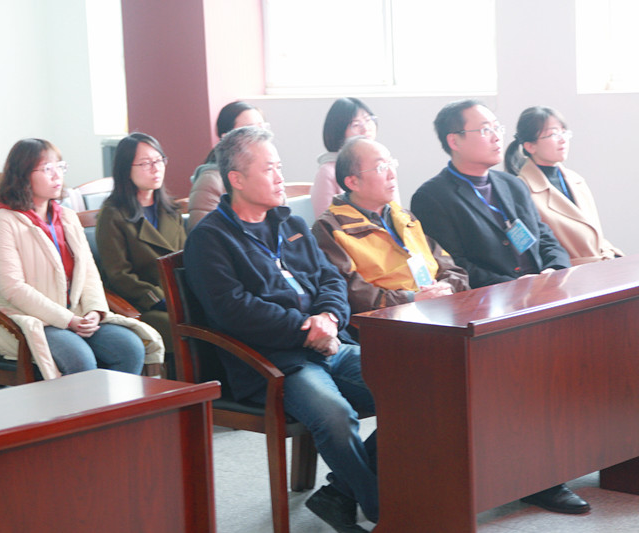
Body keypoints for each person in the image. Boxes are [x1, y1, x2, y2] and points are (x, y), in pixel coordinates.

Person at [184, 126, 378, 531]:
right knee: (335, 415)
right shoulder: (210, 239)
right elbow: (234, 310)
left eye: (280, 167)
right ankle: (383, 507)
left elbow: (330, 279)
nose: (280, 178)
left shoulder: (291, 223)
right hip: (275, 363)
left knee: (417, 389)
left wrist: (329, 319)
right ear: (237, 179)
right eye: (269, 169)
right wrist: (306, 331)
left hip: (330, 343)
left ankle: (341, 494)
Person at [411, 100, 589, 515]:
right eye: (484, 129)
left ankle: (588, 453)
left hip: (539, 298)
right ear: (455, 141)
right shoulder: (433, 196)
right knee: (535, 376)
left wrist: (553, 272)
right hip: (487, 312)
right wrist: (514, 288)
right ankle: (541, 478)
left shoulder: (511, 184)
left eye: (497, 127)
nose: (496, 136)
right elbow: (454, 266)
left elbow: (544, 236)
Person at [0, 138, 160, 380]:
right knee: (79, 359)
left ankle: (113, 406)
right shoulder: (3, 221)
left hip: (76, 314)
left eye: (60, 167)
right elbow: (13, 288)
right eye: (47, 169)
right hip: (27, 319)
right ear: (22, 175)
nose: (57, 175)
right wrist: (68, 320)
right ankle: (85, 406)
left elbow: (88, 271)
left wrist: (94, 311)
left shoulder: (66, 216)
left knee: (129, 347)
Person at [313, 137, 469, 313]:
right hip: (388, 319)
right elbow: (350, 290)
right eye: (381, 167)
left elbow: (449, 266)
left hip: (437, 307)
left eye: (391, 164)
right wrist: (411, 299)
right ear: (353, 182)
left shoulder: (402, 216)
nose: (392, 174)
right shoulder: (331, 227)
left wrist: (446, 286)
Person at [96, 132, 185, 373]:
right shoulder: (113, 214)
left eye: (159, 160)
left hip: (179, 297)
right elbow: (119, 275)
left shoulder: (171, 209)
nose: (155, 169)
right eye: (145, 163)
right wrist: (161, 299)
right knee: (184, 328)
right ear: (126, 170)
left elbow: (185, 260)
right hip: (143, 304)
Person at [504, 105, 622, 265]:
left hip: (603, 264)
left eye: (564, 132)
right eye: (553, 134)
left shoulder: (576, 179)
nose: (563, 139)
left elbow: (595, 238)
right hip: (565, 272)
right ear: (530, 146)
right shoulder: (521, 189)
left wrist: (614, 257)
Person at [188, 101, 267, 227]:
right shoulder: (210, 180)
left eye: (262, 127)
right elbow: (202, 234)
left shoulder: (270, 171)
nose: (260, 135)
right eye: (251, 129)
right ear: (227, 138)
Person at [311, 98, 378, 219]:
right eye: (356, 124)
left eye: (368, 120)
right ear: (339, 131)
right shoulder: (327, 172)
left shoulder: (383, 165)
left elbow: (395, 212)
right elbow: (325, 223)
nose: (365, 128)